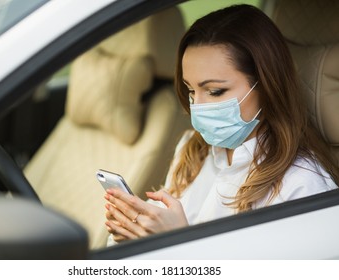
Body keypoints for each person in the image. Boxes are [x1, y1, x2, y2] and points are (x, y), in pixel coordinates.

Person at [104, 4, 339, 244]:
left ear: (267, 86)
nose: (198, 106)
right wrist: (136, 233)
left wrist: (179, 243)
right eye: (190, 90)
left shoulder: (302, 187)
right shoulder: (192, 148)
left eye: (215, 91)